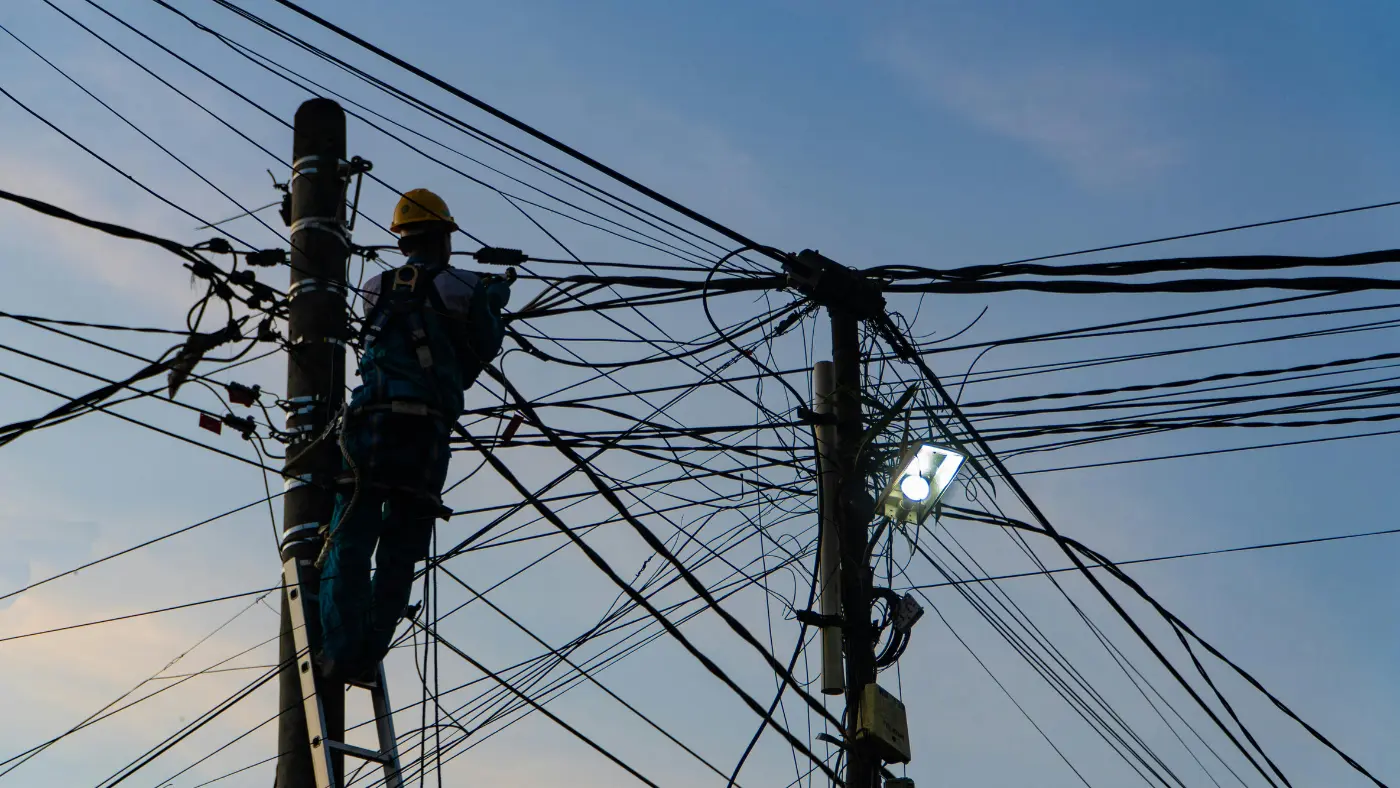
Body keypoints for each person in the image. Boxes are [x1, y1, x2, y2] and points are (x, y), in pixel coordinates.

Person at [317, 188, 511, 681]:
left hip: (371, 423)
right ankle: (367, 653)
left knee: (351, 535)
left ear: (401, 239)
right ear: (446, 235)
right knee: (402, 547)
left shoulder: (374, 286)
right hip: (425, 433)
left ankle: (338, 648)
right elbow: (479, 353)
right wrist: (491, 303)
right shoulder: (465, 286)